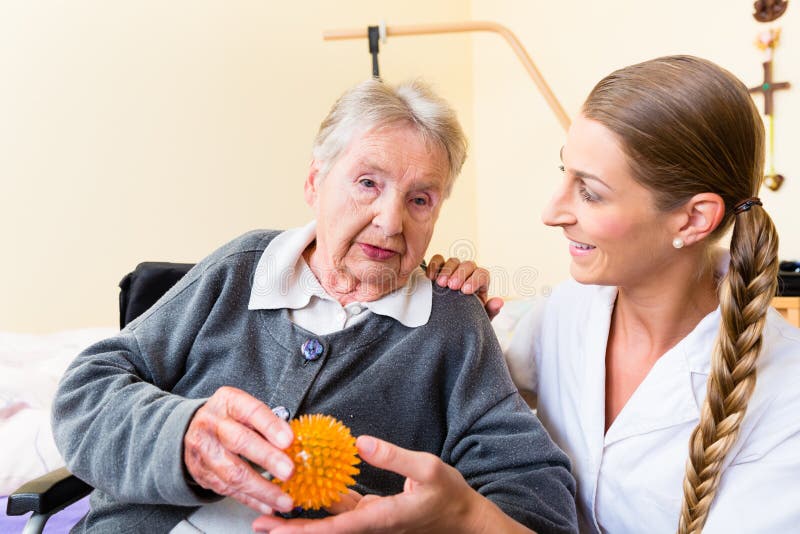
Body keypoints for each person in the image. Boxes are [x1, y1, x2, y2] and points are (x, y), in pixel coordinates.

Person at [255, 55, 800, 534]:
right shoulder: (566, 312)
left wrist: (473, 521)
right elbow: (455, 379)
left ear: (693, 218)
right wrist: (445, 291)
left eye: (590, 192)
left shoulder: (785, 400)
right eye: (565, 173)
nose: (552, 212)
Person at [51, 78, 578, 533]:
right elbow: (88, 390)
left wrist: (452, 519)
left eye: (420, 199)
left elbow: (536, 497)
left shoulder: (451, 319)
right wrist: (182, 436)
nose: (391, 221)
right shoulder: (242, 268)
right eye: (368, 183)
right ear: (314, 181)